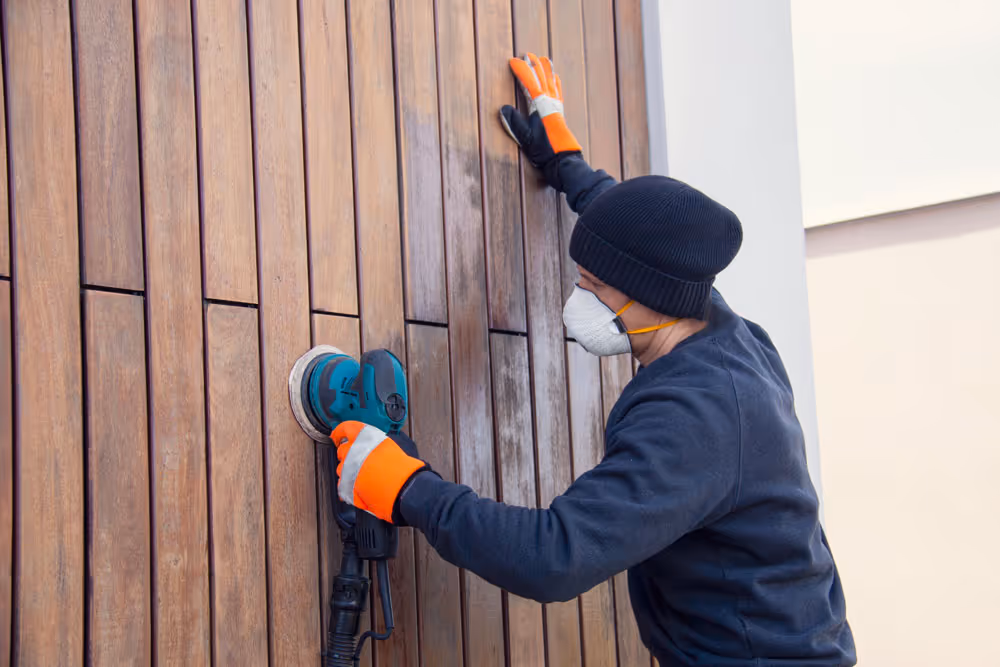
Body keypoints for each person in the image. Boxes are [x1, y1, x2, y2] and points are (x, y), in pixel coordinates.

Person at [331, 54, 856, 666]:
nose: (578, 300)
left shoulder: (699, 418)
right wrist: (567, 163)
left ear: (645, 296)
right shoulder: (710, 318)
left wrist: (410, 489)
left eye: (593, 286)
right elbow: (639, 237)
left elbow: (556, 557)